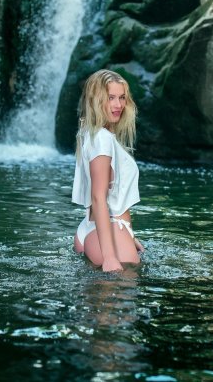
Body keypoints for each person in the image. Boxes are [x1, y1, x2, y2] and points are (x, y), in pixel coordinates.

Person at [71, 69, 144, 272]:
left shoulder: (90, 133)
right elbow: (98, 197)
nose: (118, 105)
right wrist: (111, 256)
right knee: (122, 292)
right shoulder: (102, 140)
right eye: (110, 98)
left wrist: (129, 237)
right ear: (96, 100)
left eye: (122, 98)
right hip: (109, 232)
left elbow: (108, 195)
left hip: (92, 228)